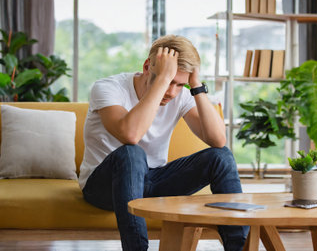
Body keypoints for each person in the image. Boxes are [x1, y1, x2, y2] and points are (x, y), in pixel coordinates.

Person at [78, 35, 249, 251]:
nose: (171, 92)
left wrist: (195, 86)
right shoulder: (108, 88)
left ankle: (239, 247)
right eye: (168, 81)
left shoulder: (181, 96)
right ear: (147, 66)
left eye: (180, 84)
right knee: (132, 153)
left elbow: (218, 140)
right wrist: (162, 81)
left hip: (153, 182)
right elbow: (130, 135)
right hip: (104, 186)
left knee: (221, 156)